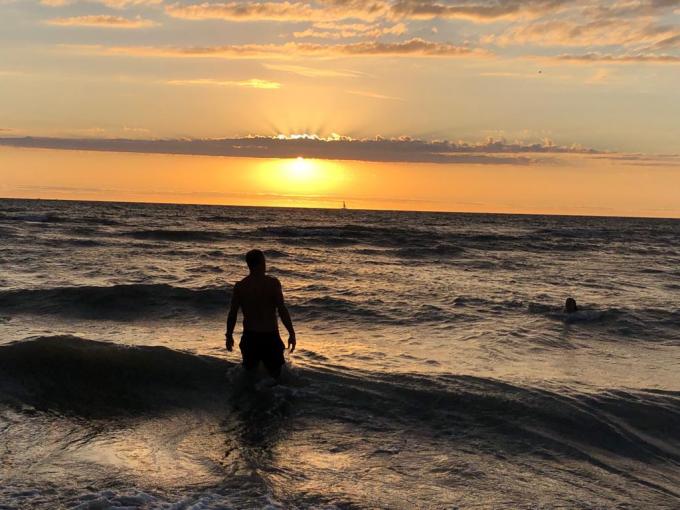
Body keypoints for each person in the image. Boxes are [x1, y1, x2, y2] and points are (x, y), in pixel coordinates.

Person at [225, 249, 296, 379]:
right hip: (270, 337)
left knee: (249, 376)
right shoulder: (273, 283)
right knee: (276, 378)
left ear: (248, 265)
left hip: (250, 338)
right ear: (262, 263)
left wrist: (229, 335)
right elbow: (282, 310)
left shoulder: (240, 286)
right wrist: (291, 333)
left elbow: (232, 314)